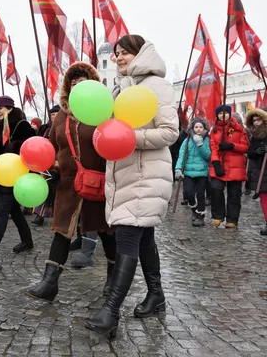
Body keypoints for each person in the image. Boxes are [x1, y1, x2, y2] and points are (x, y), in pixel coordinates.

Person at [85, 35, 178, 338]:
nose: (119, 58)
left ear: (140, 54)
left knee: (127, 236)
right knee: (144, 236)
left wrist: (128, 139)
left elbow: (169, 132)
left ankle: (111, 312)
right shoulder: (123, 88)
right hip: (126, 174)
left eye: (124, 53)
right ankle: (156, 296)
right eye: (116, 54)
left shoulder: (157, 86)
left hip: (147, 174)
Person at [24, 62, 115, 302]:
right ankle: (49, 283)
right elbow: (51, 146)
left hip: (98, 182)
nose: (78, 87)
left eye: (83, 82)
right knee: (61, 232)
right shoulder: (62, 116)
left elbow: (113, 144)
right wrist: (50, 165)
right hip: (67, 184)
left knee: (106, 232)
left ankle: (114, 281)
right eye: (73, 83)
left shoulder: (103, 111)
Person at [0, 95, 36, 261]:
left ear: (10, 108)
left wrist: (14, 146)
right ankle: (27, 241)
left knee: (2, 211)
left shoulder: (21, 124)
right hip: (0, 174)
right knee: (15, 212)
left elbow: (29, 146)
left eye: (1, 108)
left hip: (15, 174)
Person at [208, 105, 248, 229]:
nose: (223, 115)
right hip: (219, 164)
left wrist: (232, 146)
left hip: (236, 166)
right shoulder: (214, 130)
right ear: (217, 116)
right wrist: (215, 163)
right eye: (220, 113)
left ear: (230, 114)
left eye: (225, 113)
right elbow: (213, 148)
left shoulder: (239, 129)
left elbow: (245, 147)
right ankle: (218, 215)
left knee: (234, 193)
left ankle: (232, 219)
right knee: (215, 189)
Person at [174, 118, 211, 227]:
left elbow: (208, 156)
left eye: (201, 127)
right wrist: (178, 169)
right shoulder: (187, 141)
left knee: (200, 194)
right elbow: (182, 155)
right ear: (192, 128)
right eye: (196, 127)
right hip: (188, 173)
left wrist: (200, 145)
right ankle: (194, 209)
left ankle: (200, 216)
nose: (198, 129)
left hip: (202, 172)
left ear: (204, 128)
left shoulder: (207, 141)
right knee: (189, 194)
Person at [31, 105, 60, 226]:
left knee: (57, 191)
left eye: (56, 114)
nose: (54, 116)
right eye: (52, 114)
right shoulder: (47, 130)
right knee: (44, 187)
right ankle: (40, 215)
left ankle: (57, 216)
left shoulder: (62, 128)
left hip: (59, 164)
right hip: (47, 164)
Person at [246, 108, 267, 234]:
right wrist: (255, 152)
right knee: (264, 198)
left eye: (258, 119)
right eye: (254, 120)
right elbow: (249, 153)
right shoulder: (253, 136)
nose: (256, 122)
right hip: (260, 170)